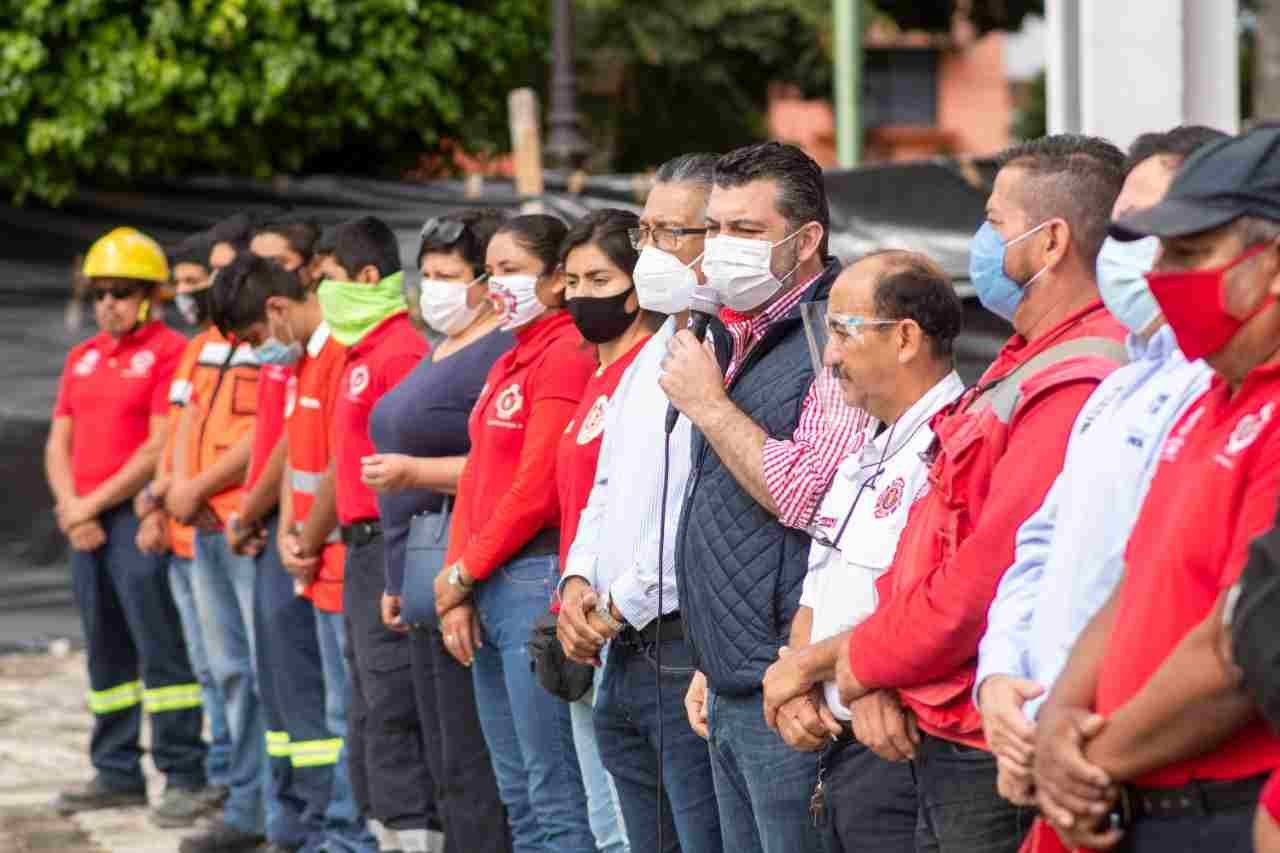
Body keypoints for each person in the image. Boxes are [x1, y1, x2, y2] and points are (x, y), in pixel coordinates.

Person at [834, 134, 1129, 853]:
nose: (982, 242)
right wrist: (880, 668)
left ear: (1050, 240)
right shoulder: (1027, 352)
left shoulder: (1081, 373)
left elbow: (990, 569)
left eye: (996, 223)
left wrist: (862, 661)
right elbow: (933, 533)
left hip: (985, 739)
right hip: (939, 715)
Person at [1032, 126, 1280, 852]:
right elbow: (1136, 579)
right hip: (1136, 802)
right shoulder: (1211, 397)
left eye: (1190, 254)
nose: (1160, 274)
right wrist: (1057, 722)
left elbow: (1240, 645)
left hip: (1219, 813)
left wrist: (1088, 762)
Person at [973, 126, 1225, 820]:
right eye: (1120, 226)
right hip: (1049, 741)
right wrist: (1000, 678)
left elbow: (1184, 596)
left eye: (1153, 225)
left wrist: (1079, 735)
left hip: (1124, 758)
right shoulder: (1121, 385)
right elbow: (1038, 546)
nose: (1126, 246)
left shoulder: (1217, 389)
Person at [658, 141, 872, 853]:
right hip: (730, 680)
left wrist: (712, 407)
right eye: (714, 229)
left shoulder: (830, 337)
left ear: (806, 240)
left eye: (746, 232)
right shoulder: (731, 332)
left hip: (793, 684)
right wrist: (710, 659)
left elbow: (813, 496)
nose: (721, 249)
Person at [760, 251, 966, 853]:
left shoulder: (954, 446)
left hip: (903, 748)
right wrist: (799, 686)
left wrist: (803, 670)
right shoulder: (863, 455)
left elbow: (934, 604)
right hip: (842, 747)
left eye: (843, 332)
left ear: (905, 338)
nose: (828, 356)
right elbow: (817, 594)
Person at [557, 152, 725, 853]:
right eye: (646, 234)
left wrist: (616, 602)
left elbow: (688, 505)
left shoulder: (722, 353)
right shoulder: (654, 351)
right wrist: (576, 581)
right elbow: (605, 487)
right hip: (619, 647)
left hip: (678, 644)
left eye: (670, 233)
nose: (652, 251)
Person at [431, 213, 597, 853]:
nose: (494, 286)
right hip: (486, 580)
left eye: (511, 271)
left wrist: (462, 573)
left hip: (528, 577)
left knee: (554, 790)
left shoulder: (564, 355)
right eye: (490, 272)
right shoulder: (511, 356)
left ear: (557, 280)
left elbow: (536, 487)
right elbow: (479, 479)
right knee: (519, 793)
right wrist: (459, 583)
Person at [211, 250, 378, 853]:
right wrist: (283, 524)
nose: (260, 350)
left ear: (278, 308)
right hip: (306, 554)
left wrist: (302, 538)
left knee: (340, 712)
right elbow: (298, 451)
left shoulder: (337, 354)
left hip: (334, 559)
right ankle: (309, 825)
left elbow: (340, 459)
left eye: (258, 335)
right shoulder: (307, 358)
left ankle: (342, 833)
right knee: (300, 703)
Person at [46, 227, 208, 823]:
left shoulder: (170, 352)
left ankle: (184, 772)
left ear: (150, 296)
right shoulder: (81, 357)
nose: (107, 303)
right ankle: (115, 772)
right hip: (84, 523)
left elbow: (156, 446)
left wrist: (91, 507)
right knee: (105, 654)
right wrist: (71, 506)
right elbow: (58, 438)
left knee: (161, 651)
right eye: (99, 292)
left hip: (135, 521)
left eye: (121, 291)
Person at [363, 210, 513, 853]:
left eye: (449, 276)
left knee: (475, 758)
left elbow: (508, 462)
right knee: (444, 753)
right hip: (418, 568)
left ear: (484, 281)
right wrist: (397, 577)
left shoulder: (498, 350)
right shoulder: (441, 347)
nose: (434, 289)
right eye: (425, 275)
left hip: (468, 571)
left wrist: (417, 470)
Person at [313, 216, 439, 853]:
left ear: (366, 277)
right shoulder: (358, 352)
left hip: (392, 544)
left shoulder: (400, 352)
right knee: (367, 704)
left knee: (392, 703)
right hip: (358, 546)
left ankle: (412, 835)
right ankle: (374, 833)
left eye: (330, 280)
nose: (323, 293)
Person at [552, 207, 659, 853]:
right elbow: (591, 501)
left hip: (630, 621)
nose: (581, 295)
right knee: (603, 817)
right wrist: (571, 586)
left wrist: (605, 603)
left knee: (626, 825)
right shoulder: (594, 374)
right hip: (580, 612)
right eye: (571, 280)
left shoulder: (648, 372)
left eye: (599, 278)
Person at [169, 249, 270, 853]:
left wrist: (199, 488)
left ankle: (264, 804)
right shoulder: (206, 343)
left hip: (241, 526)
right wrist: (183, 490)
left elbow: (266, 430)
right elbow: (186, 421)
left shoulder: (269, 342)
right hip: (203, 525)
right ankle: (246, 799)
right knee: (228, 672)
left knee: (260, 672)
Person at [135, 229, 234, 826]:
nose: (193, 294)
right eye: (188, 284)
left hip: (219, 529)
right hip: (183, 532)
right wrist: (159, 498)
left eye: (205, 281)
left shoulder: (250, 350)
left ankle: (231, 781)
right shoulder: (196, 351)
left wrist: (189, 492)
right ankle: (223, 777)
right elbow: (175, 432)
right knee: (206, 666)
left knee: (230, 668)